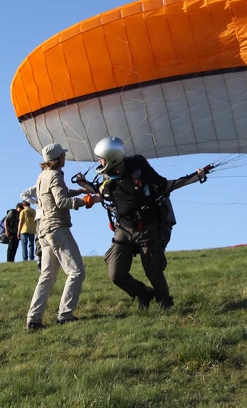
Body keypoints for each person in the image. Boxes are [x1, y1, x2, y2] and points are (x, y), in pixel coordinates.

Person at [92, 136, 210, 311]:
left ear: (112, 157)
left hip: (146, 227)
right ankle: (143, 293)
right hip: (123, 228)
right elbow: (101, 195)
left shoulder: (139, 167)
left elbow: (165, 186)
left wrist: (195, 177)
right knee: (116, 274)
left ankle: (165, 304)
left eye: (101, 159)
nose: (99, 162)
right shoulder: (107, 177)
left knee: (153, 271)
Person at [25, 143, 97, 331]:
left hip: (44, 231)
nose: (65, 158)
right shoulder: (56, 175)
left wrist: (79, 191)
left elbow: (54, 195)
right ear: (58, 159)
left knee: (47, 277)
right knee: (76, 272)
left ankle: (33, 320)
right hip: (57, 229)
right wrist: (88, 201)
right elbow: (62, 201)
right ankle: (65, 315)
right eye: (63, 156)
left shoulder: (43, 176)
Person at [20, 186, 43, 270]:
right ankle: (33, 258)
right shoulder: (33, 211)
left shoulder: (23, 211)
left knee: (26, 244)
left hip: (25, 229)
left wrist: (35, 201)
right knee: (31, 244)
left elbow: (20, 222)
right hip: (32, 228)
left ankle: (28, 259)